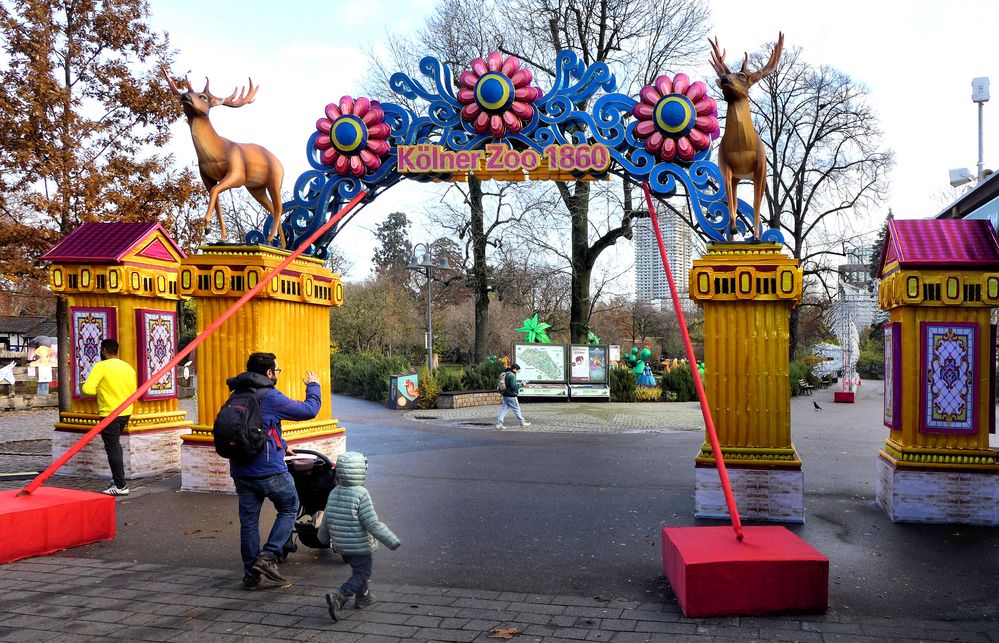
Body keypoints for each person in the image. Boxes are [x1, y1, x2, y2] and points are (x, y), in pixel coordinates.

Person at [227, 352, 322, 590]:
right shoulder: (269, 395)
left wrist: (282, 446)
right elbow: (308, 410)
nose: (277, 374)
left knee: (248, 522)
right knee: (290, 506)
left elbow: (257, 427)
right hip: (269, 471)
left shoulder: (236, 394)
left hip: (241, 471)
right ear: (269, 373)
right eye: (276, 371)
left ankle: (251, 575)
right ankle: (268, 556)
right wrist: (313, 386)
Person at [319, 451, 401, 621]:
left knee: (359, 570)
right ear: (361, 471)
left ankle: (363, 597)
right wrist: (391, 540)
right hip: (359, 545)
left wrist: (323, 538)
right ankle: (340, 595)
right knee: (363, 572)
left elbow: (326, 518)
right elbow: (372, 523)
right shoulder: (361, 493)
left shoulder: (334, 492)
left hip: (342, 546)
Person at [81, 338, 137, 496]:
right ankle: (117, 479)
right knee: (115, 446)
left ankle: (121, 485)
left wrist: (100, 390)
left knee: (113, 448)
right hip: (125, 412)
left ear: (104, 350)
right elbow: (133, 389)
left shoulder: (101, 367)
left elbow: (88, 389)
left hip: (109, 413)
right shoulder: (128, 367)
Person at [496, 363, 531, 430]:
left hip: (505, 394)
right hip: (511, 395)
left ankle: (499, 423)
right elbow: (514, 387)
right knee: (516, 409)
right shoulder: (512, 375)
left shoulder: (506, 374)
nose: (517, 372)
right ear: (514, 369)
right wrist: (522, 384)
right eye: (517, 370)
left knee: (504, 409)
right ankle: (522, 423)